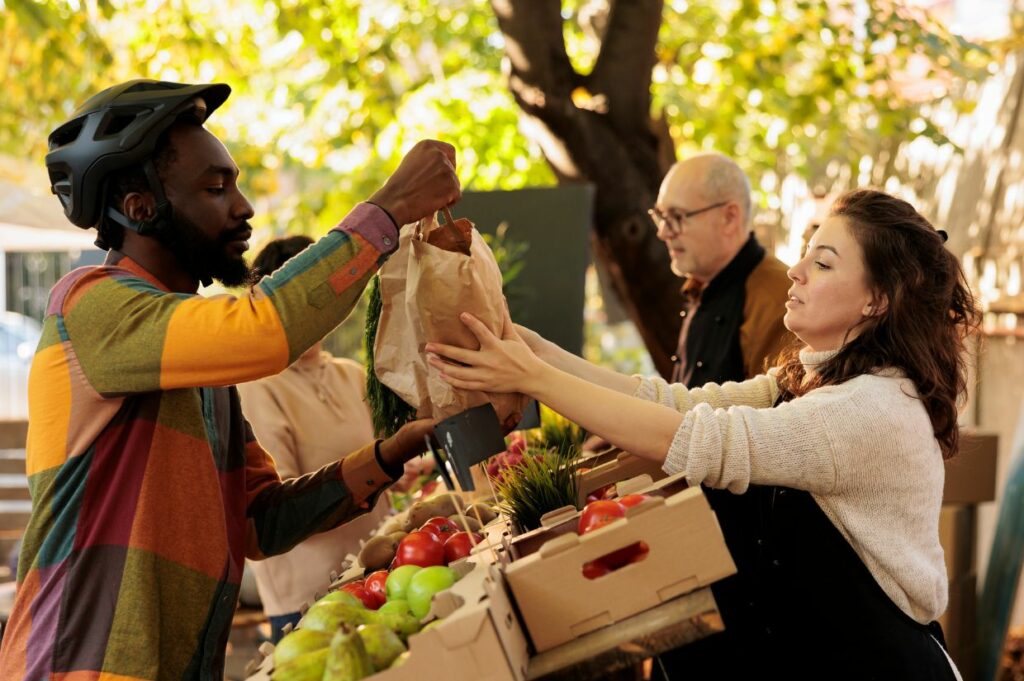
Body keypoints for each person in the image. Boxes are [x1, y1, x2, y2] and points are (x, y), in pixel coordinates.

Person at [0, 79, 458, 681]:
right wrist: (390, 207)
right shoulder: (90, 305)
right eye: (216, 188)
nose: (243, 207)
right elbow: (265, 329)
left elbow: (256, 522)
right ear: (140, 206)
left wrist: (389, 454)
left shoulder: (199, 366)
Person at [426, 189, 977, 680]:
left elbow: (701, 442)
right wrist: (525, 345)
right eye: (806, 251)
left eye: (823, 262)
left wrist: (532, 377)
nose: (796, 270)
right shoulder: (816, 379)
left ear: (876, 300)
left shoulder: (874, 407)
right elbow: (671, 404)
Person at [237, 235, 421, 642]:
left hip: (380, 575)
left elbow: (380, 465)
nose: (316, 310)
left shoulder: (350, 373)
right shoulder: (256, 387)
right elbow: (281, 503)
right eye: (301, 299)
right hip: (312, 601)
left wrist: (403, 470)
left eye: (323, 294)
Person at [651, 153, 792, 386]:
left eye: (676, 216)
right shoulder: (702, 283)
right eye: (661, 216)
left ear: (729, 217)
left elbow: (771, 416)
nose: (663, 232)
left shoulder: (779, 302)